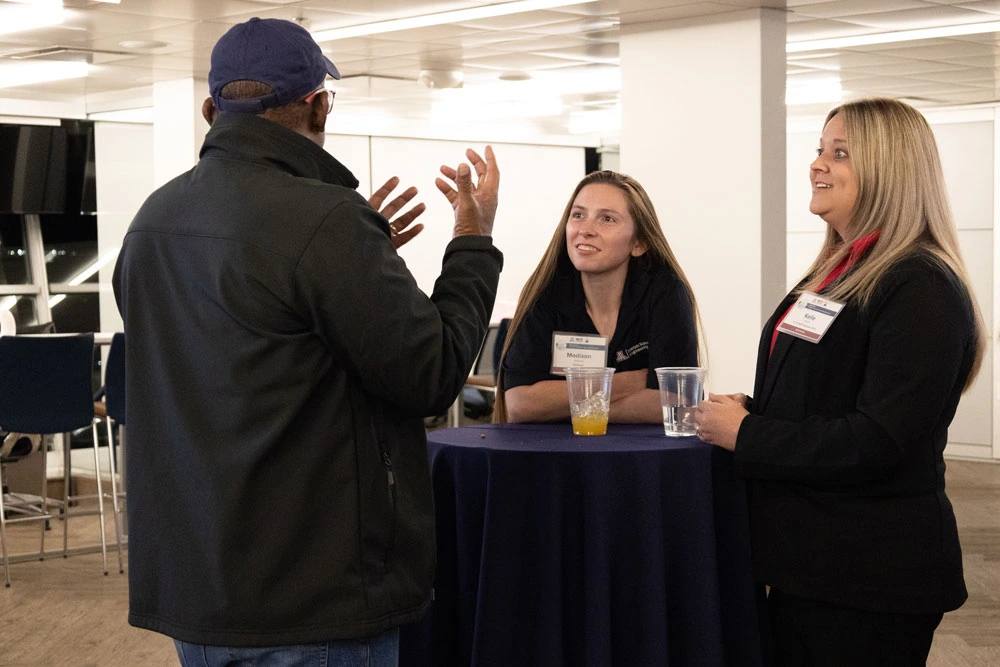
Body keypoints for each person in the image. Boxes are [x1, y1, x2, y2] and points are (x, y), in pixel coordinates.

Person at [112, 17, 503, 666]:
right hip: (311, 594)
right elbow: (431, 373)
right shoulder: (326, 222)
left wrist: (358, 258)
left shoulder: (152, 222)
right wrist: (471, 240)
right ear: (319, 105)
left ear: (211, 110)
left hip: (200, 592)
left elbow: (248, 346)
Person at [695, 98, 984, 666]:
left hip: (870, 573)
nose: (817, 164)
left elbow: (877, 439)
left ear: (889, 170)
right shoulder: (838, 273)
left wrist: (748, 434)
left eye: (840, 152)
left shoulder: (918, 286)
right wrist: (753, 409)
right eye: (820, 149)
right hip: (812, 561)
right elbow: (829, 395)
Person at [495, 170, 699, 424]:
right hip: (558, 456)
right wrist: (631, 381)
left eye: (607, 219)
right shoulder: (545, 292)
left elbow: (678, 403)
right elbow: (520, 405)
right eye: (578, 215)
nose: (586, 230)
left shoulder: (665, 292)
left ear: (639, 243)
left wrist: (569, 405)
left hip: (642, 457)